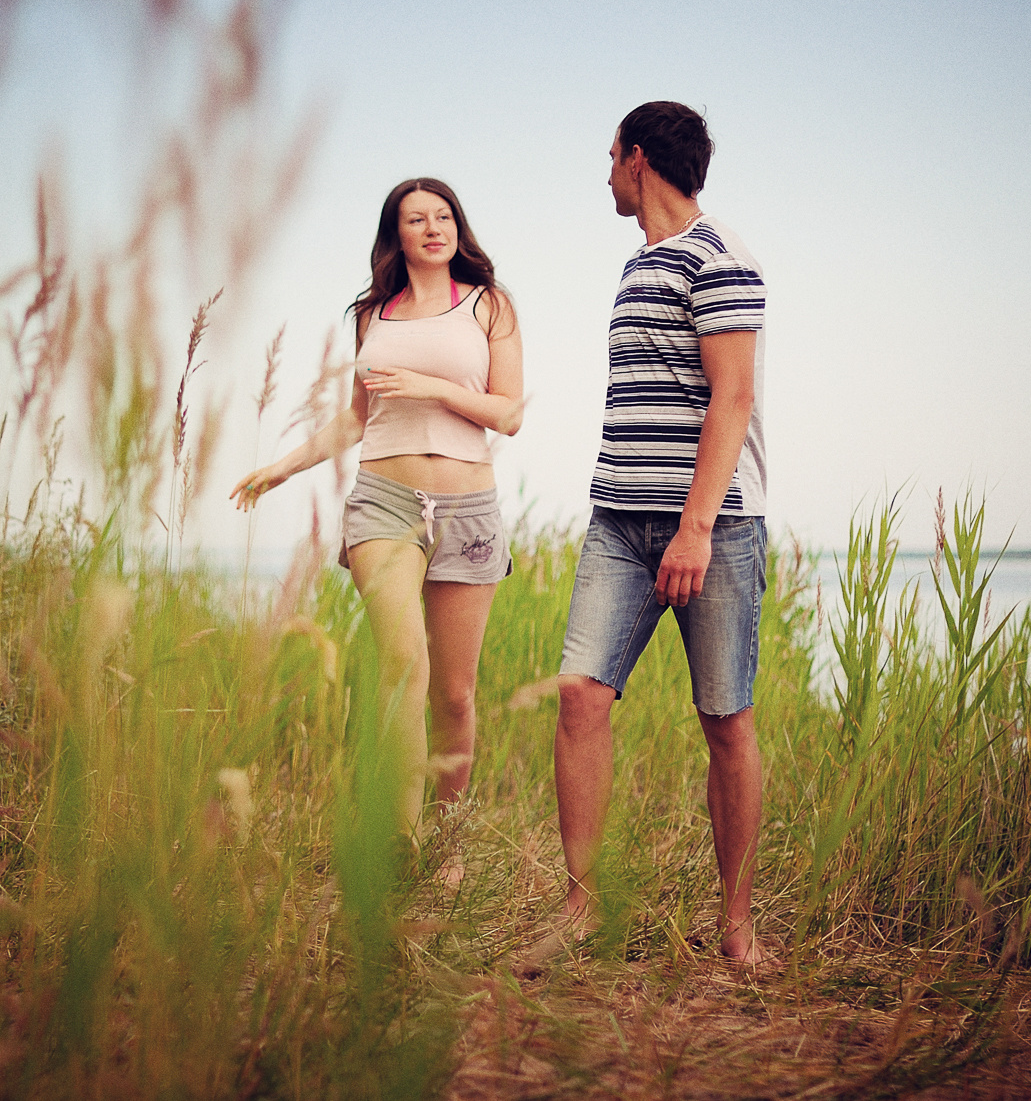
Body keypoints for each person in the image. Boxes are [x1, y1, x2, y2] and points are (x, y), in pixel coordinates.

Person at [537, 101, 768, 967]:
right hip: (616, 523)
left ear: (639, 158)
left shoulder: (719, 256)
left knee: (725, 719)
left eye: (611, 157)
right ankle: (581, 908)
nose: (605, 175)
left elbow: (733, 397)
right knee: (580, 696)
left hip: (711, 529)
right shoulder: (639, 263)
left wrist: (694, 529)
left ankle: (737, 928)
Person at [231, 177, 523, 836]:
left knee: (455, 694)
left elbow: (508, 413)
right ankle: (401, 839)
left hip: (467, 509)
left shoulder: (489, 305)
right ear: (397, 234)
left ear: (458, 227)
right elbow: (357, 419)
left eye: (443, 216)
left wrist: (430, 386)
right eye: (416, 219)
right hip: (383, 503)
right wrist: (281, 467)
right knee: (402, 663)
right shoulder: (372, 315)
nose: (432, 227)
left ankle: (445, 838)